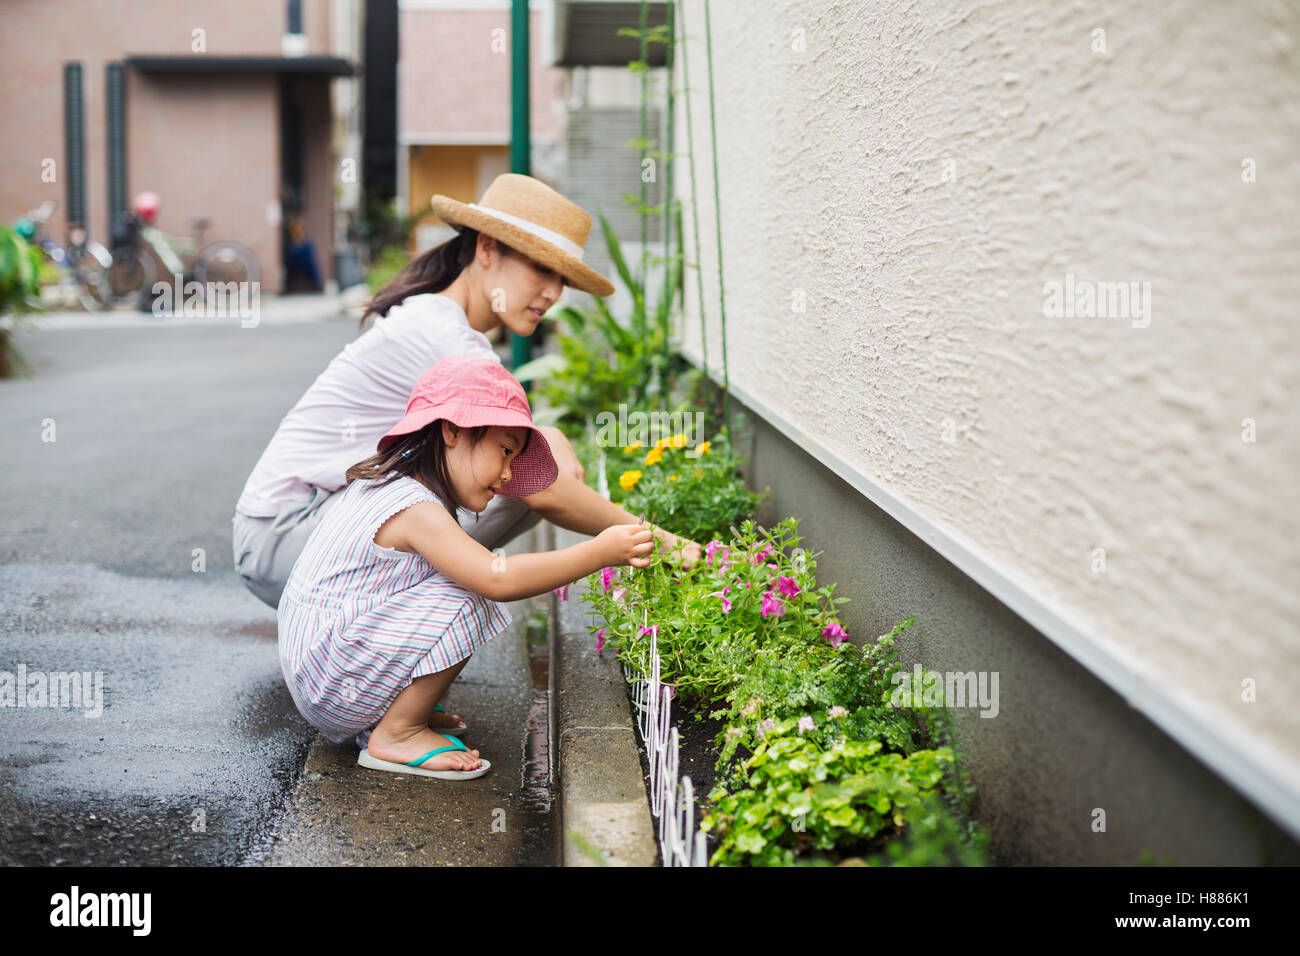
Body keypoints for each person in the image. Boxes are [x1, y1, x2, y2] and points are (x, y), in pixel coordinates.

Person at [232, 172, 702, 623]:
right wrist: (660, 543)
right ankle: (393, 660)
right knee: (516, 476)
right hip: (286, 537)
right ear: (486, 248)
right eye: (541, 268)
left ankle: (392, 660)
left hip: (296, 533)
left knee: (508, 464)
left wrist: (549, 434)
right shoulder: (445, 336)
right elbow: (544, 485)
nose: (553, 292)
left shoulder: (435, 319)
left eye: (563, 279)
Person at [277, 355, 655, 779]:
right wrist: (599, 552)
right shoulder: (414, 507)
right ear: (452, 430)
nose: (509, 475)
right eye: (506, 450)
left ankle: (393, 709)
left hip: (323, 670)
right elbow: (499, 579)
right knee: (472, 588)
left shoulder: (392, 487)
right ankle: (398, 732)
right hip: (331, 680)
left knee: (459, 576)